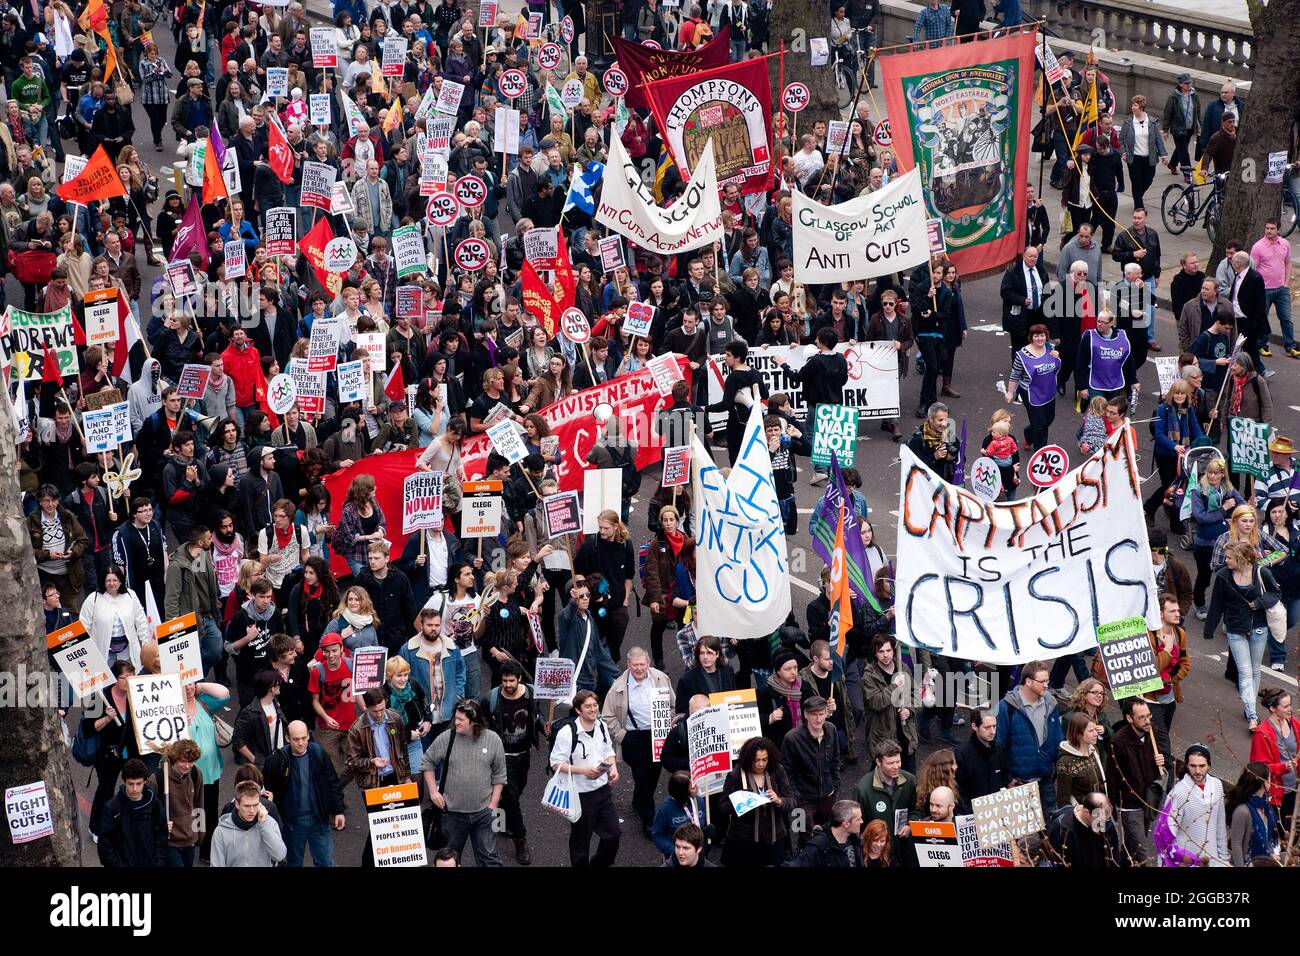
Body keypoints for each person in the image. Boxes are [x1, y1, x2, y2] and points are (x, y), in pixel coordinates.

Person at [421, 698, 506, 867]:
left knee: (490, 859)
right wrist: (433, 792)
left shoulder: (493, 739)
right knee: (448, 861)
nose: (456, 722)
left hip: (485, 813)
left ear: (474, 721)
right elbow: (427, 762)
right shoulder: (446, 738)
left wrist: (493, 805)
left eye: (461, 719)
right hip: (452, 814)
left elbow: (500, 774)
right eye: (456, 717)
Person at [1204, 542, 1278, 731]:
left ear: (1242, 558)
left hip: (1258, 628)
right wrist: (1209, 629)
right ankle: (1252, 716)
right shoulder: (1223, 576)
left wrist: (1260, 602)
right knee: (1244, 672)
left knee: (1255, 671)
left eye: (1229, 557)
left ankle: (1249, 706)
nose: (1225, 560)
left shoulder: (1261, 573)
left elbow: (1275, 593)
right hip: (1236, 629)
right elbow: (1216, 604)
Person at [601, 647, 674, 839]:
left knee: (653, 775)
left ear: (648, 663)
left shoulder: (660, 679)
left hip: (659, 735)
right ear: (628, 665)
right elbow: (607, 715)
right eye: (635, 665)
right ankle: (649, 820)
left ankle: (639, 801)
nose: (639, 669)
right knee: (642, 779)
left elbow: (672, 704)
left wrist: (670, 723)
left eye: (642, 664)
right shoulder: (618, 687)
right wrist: (622, 736)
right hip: (633, 738)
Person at [549, 689, 622, 867]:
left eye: (595, 705)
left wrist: (613, 768)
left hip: (602, 791)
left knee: (614, 834)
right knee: (581, 842)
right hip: (580, 795)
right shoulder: (567, 733)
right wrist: (583, 771)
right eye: (587, 706)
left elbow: (608, 751)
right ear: (578, 710)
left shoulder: (601, 725)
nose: (593, 709)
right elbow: (556, 763)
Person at [262, 719, 346, 868]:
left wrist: (338, 810)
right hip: (292, 824)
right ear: (287, 738)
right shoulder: (276, 761)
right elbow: (268, 793)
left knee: (325, 862)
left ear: (308, 735)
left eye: (303, 738)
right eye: (296, 739)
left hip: (318, 820)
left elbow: (332, 782)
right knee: (293, 863)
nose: (301, 743)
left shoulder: (319, 753)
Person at [482, 659, 542, 865]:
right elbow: (483, 723)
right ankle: (520, 839)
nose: (507, 685)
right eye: (504, 680)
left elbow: (537, 718)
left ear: (519, 679)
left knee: (517, 792)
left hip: (523, 754)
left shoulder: (531, 694)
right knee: (512, 797)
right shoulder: (491, 698)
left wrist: (545, 728)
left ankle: (503, 820)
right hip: (502, 757)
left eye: (511, 681)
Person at [996, 660, 1063, 818]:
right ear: (1028, 681)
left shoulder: (1051, 704)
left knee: (1051, 830)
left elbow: (1058, 738)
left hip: (1045, 778)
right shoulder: (1006, 707)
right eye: (1042, 681)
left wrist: (1053, 767)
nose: (1046, 685)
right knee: (1017, 834)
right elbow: (999, 746)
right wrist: (1008, 778)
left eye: (1048, 681)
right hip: (1018, 782)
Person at [717, 736, 794, 867]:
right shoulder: (736, 775)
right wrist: (740, 799)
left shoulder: (777, 770)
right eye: (756, 760)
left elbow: (792, 802)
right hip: (745, 841)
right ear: (748, 759)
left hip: (774, 838)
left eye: (765, 759)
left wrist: (779, 800)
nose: (761, 764)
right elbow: (723, 808)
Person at [1106, 698, 1166, 865]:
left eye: (1149, 715)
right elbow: (1112, 777)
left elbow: (1157, 768)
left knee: (1131, 849)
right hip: (1130, 805)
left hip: (1147, 800)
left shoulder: (1152, 731)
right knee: (1142, 853)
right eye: (1142, 717)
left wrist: (1160, 762)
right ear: (1129, 718)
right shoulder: (1118, 742)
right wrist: (1112, 807)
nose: (1147, 721)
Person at [1153, 744, 1228, 867]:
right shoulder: (1178, 793)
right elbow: (1165, 835)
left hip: (1213, 860)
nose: (1197, 771)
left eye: (1202, 766)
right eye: (1193, 766)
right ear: (1187, 765)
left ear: (1209, 765)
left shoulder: (1217, 785)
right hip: (1187, 862)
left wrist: (1224, 859)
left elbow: (1220, 825)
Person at [79, 565, 150, 672]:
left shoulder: (131, 595)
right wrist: (88, 652)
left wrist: (145, 644)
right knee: (107, 685)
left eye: (115, 580)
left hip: (128, 651)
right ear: (103, 582)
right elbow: (83, 626)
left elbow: (141, 622)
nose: (111, 583)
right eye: (108, 580)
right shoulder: (93, 599)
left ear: (121, 581)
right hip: (103, 652)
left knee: (129, 681)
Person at [97, 758, 167, 867]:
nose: (135, 789)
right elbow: (105, 845)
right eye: (131, 784)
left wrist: (159, 863)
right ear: (124, 781)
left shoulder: (155, 805)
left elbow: (162, 837)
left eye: (139, 784)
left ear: (145, 781)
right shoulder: (112, 808)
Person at [1003, 322, 1061, 451]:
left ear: (1046, 336)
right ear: (1031, 337)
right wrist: (1010, 392)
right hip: (1032, 394)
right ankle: (1041, 453)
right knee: (1040, 425)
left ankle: (1029, 435)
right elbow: (1015, 375)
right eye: (1036, 336)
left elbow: (1056, 367)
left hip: (1049, 391)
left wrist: (1057, 358)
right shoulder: (1022, 355)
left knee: (1049, 419)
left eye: (1042, 335)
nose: (1039, 338)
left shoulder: (1050, 348)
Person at [309, 633, 357, 783]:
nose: (330, 655)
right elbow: (315, 701)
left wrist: (366, 710)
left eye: (334, 650)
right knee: (331, 768)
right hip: (328, 727)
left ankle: (335, 792)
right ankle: (334, 798)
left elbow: (359, 692)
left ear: (341, 649)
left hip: (350, 725)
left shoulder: (351, 665)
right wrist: (326, 718)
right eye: (327, 651)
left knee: (355, 765)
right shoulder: (318, 671)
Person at [1249, 687, 1297, 830]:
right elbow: (1259, 768)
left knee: (1289, 828)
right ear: (1272, 708)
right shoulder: (1262, 734)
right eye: (1286, 706)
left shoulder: (1292, 723)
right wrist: (1284, 767)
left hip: (1294, 788)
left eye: (1290, 705)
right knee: (1277, 831)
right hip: (1276, 793)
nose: (1290, 709)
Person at [210, 779, 288, 867]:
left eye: (255, 805)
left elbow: (280, 855)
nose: (251, 810)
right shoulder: (221, 831)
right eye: (247, 806)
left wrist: (264, 825)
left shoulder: (269, 823)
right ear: (237, 804)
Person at [1042, 791, 1126, 867]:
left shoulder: (1106, 823)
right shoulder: (1061, 827)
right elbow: (1053, 859)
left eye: (1107, 819)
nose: (1104, 824)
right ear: (1086, 812)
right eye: (1100, 820)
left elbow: (1114, 857)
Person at [1225, 761, 1279, 865]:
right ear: (1262, 781)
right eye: (1269, 778)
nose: (1271, 781)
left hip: (1264, 862)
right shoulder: (1242, 810)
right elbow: (1236, 844)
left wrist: (1271, 853)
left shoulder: (1265, 806)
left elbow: (1265, 837)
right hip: (1248, 863)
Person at [231, 670, 287, 768]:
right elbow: (237, 739)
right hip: (264, 764)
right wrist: (254, 759)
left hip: (278, 757)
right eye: (277, 684)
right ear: (270, 689)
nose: (280, 686)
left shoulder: (274, 702)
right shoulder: (251, 713)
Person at [785, 799, 864, 867]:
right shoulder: (818, 846)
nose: (862, 821)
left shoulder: (855, 840)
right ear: (846, 823)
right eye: (858, 819)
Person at [1054, 712, 1108, 808]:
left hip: (1098, 811)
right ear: (1078, 733)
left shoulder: (1094, 750)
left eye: (1096, 729)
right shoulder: (1065, 762)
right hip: (1080, 815)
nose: (1096, 733)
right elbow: (1063, 799)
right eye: (1091, 731)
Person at [674, 633, 737, 713]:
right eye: (702, 653)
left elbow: (734, 697)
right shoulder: (687, 679)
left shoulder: (728, 672)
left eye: (709, 653)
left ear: (717, 654)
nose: (705, 657)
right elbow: (681, 710)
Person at [956, 708, 1005, 803]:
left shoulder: (999, 748)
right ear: (974, 726)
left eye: (994, 726)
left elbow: (1004, 775)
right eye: (987, 727)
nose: (993, 732)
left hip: (997, 807)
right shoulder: (962, 753)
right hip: (973, 811)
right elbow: (960, 789)